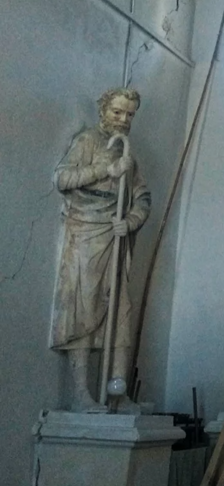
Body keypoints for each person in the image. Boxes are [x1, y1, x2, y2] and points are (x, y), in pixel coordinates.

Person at [52, 88, 151, 411]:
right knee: (83, 306)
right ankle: (81, 394)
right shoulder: (88, 141)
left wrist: (132, 220)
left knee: (121, 310)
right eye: (117, 113)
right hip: (85, 230)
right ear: (104, 112)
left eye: (130, 115)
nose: (123, 120)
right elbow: (62, 178)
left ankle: (118, 392)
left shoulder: (128, 156)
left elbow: (142, 196)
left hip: (115, 233)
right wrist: (104, 171)